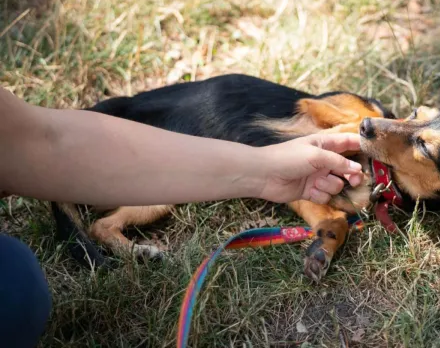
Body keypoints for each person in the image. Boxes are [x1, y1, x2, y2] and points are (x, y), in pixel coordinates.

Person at [0, 87, 365, 348]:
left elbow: (40, 142)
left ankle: (107, 229)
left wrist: (270, 175)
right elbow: (313, 106)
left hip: (192, 139)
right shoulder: (364, 113)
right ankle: (109, 231)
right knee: (18, 286)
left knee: (19, 286)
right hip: (195, 112)